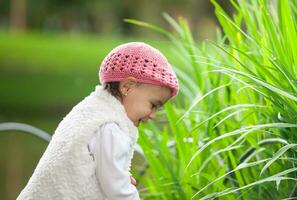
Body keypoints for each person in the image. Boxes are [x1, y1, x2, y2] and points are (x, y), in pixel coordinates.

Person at [17, 42, 179, 199]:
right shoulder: (110, 127)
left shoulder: (90, 112)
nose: (153, 115)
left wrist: (118, 176)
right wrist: (122, 186)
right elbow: (119, 192)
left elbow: (91, 166)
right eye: (153, 105)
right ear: (127, 87)